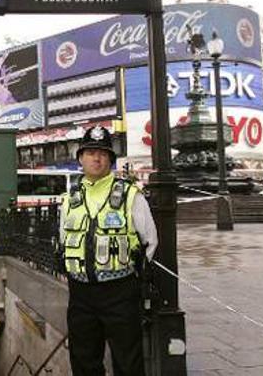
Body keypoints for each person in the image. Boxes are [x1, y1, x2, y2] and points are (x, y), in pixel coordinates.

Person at [59, 125, 158, 376]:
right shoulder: (69, 199)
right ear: (80, 158)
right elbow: (63, 240)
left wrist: (128, 272)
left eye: (102, 153)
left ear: (111, 160)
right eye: (90, 152)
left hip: (120, 292)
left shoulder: (130, 195)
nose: (96, 158)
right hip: (80, 293)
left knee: (128, 362)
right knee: (83, 361)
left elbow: (150, 241)